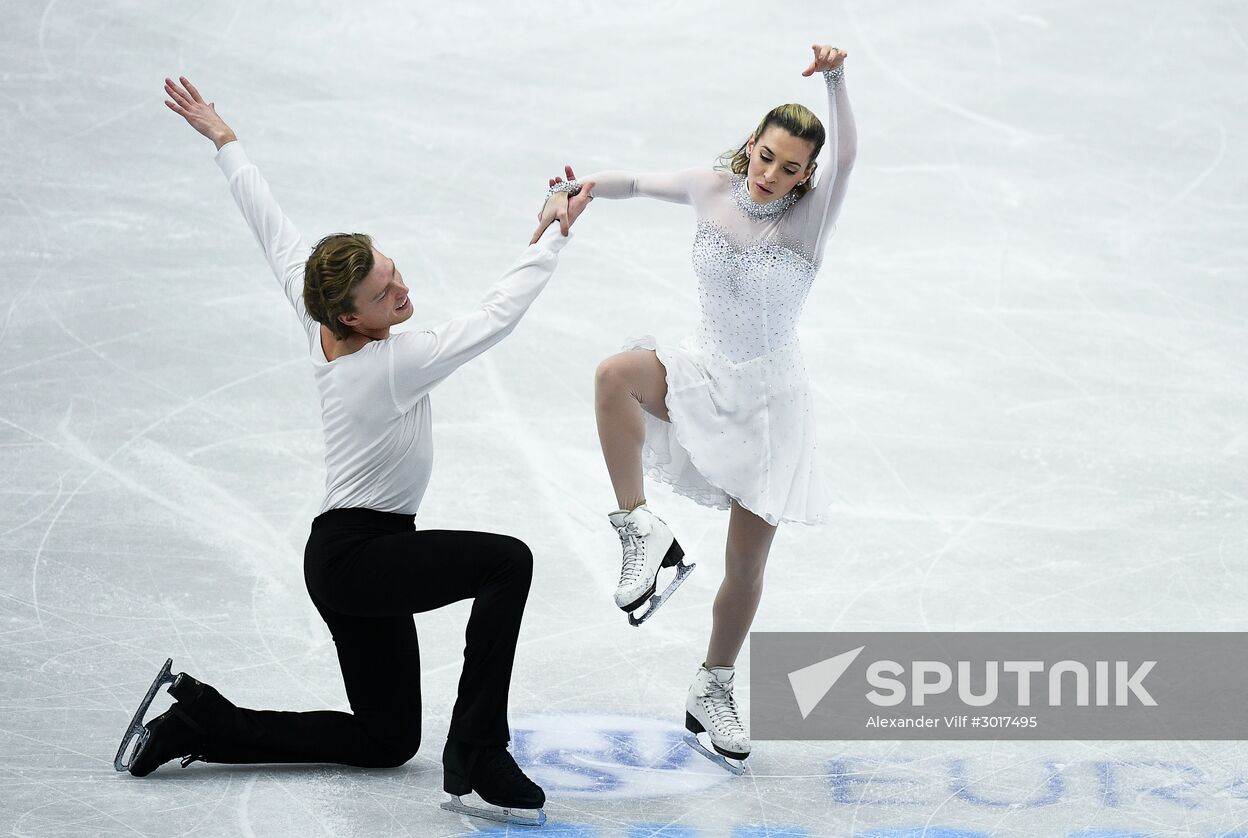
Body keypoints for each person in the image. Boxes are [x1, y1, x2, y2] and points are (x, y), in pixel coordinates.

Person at [114, 75, 593, 827]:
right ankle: (479, 749)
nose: (400, 290)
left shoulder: (321, 322)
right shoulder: (392, 364)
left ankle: (204, 721)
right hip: (359, 557)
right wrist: (558, 230)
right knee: (509, 561)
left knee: (386, 740)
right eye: (384, 292)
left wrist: (226, 141)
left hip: (347, 559)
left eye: (390, 269)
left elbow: (274, 234)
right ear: (350, 313)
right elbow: (496, 316)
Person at [535, 44, 855, 771]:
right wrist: (577, 189)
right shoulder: (712, 189)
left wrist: (836, 81)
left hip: (772, 410)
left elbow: (852, 155)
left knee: (745, 569)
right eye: (767, 156)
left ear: (809, 177)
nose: (773, 175)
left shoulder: (807, 224)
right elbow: (635, 182)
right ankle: (640, 528)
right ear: (751, 145)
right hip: (706, 372)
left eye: (791, 168)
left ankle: (713, 684)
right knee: (616, 375)